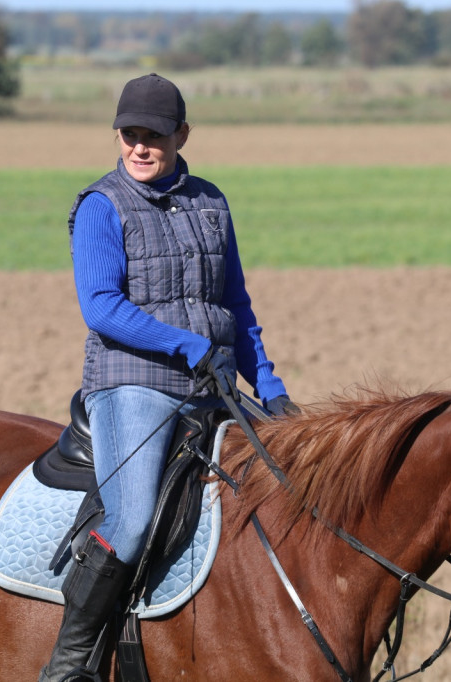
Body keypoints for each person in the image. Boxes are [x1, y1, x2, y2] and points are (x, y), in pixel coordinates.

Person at [40, 73, 298, 681]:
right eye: (129, 135)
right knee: (129, 522)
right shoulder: (102, 207)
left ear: (182, 135)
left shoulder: (211, 201)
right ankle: (68, 662)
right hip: (132, 382)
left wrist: (272, 388)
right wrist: (187, 345)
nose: (139, 147)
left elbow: (236, 303)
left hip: (211, 384)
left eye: (153, 136)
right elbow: (101, 306)